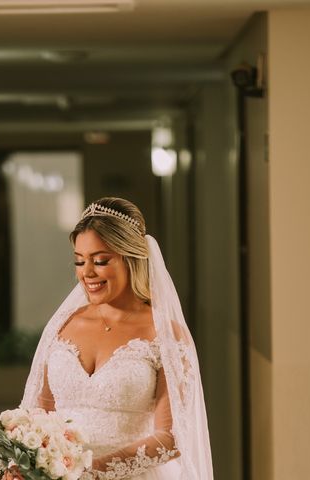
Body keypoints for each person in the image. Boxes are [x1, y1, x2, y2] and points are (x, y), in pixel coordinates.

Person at [20, 197, 213, 480]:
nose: (87, 273)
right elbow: (39, 414)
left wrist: (91, 471)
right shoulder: (64, 324)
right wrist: (24, 463)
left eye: (100, 260)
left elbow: (171, 436)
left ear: (131, 258)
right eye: (79, 261)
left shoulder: (165, 334)